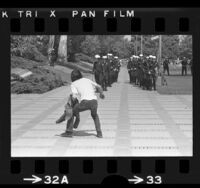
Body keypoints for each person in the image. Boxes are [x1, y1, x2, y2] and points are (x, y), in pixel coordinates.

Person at [63, 70, 105, 138]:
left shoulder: (73, 84)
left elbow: (74, 96)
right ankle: (99, 133)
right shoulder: (87, 80)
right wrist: (101, 94)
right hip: (94, 101)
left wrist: (70, 104)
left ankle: (69, 131)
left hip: (85, 102)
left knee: (71, 112)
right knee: (95, 116)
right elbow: (99, 87)